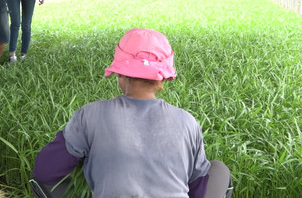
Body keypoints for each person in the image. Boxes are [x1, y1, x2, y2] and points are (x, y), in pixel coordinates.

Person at [30, 29, 233, 198]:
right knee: (218, 169)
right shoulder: (187, 121)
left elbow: (45, 170)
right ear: (162, 79)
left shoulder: (89, 115)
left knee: (38, 178)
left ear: (120, 74)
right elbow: (198, 186)